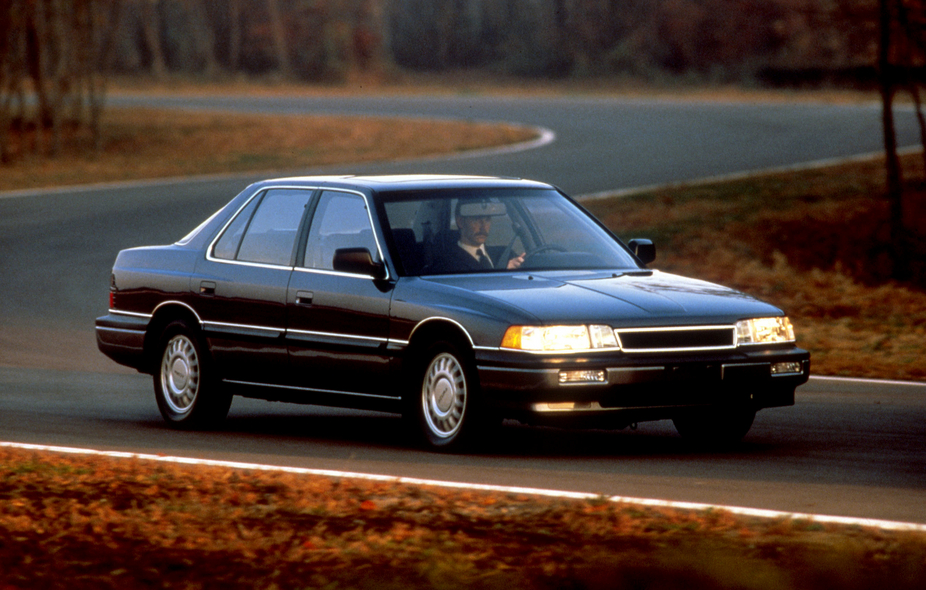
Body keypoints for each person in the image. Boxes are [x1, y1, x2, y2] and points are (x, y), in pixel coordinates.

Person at [429, 200, 525, 272]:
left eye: (487, 219)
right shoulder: (446, 264)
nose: (483, 227)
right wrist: (503, 271)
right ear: (460, 222)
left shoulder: (505, 254)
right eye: (476, 219)